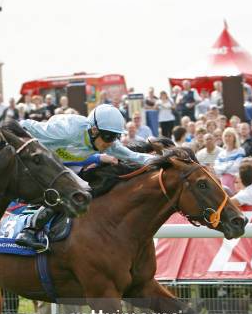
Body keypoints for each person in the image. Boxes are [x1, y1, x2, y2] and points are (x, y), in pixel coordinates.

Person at [15, 104, 153, 251]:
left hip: (55, 165)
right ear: (94, 130)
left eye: (116, 136)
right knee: (70, 187)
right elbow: (27, 125)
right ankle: (28, 231)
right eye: (109, 136)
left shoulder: (108, 143)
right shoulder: (68, 131)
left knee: (83, 189)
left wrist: (169, 159)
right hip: (32, 161)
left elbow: (135, 157)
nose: (111, 142)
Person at [213, 127, 245, 192]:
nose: (227, 138)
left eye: (229, 136)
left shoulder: (240, 151)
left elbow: (236, 167)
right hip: (222, 181)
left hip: (235, 182)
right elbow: (216, 169)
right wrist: (229, 165)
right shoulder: (221, 153)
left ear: (234, 138)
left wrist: (223, 167)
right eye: (225, 136)